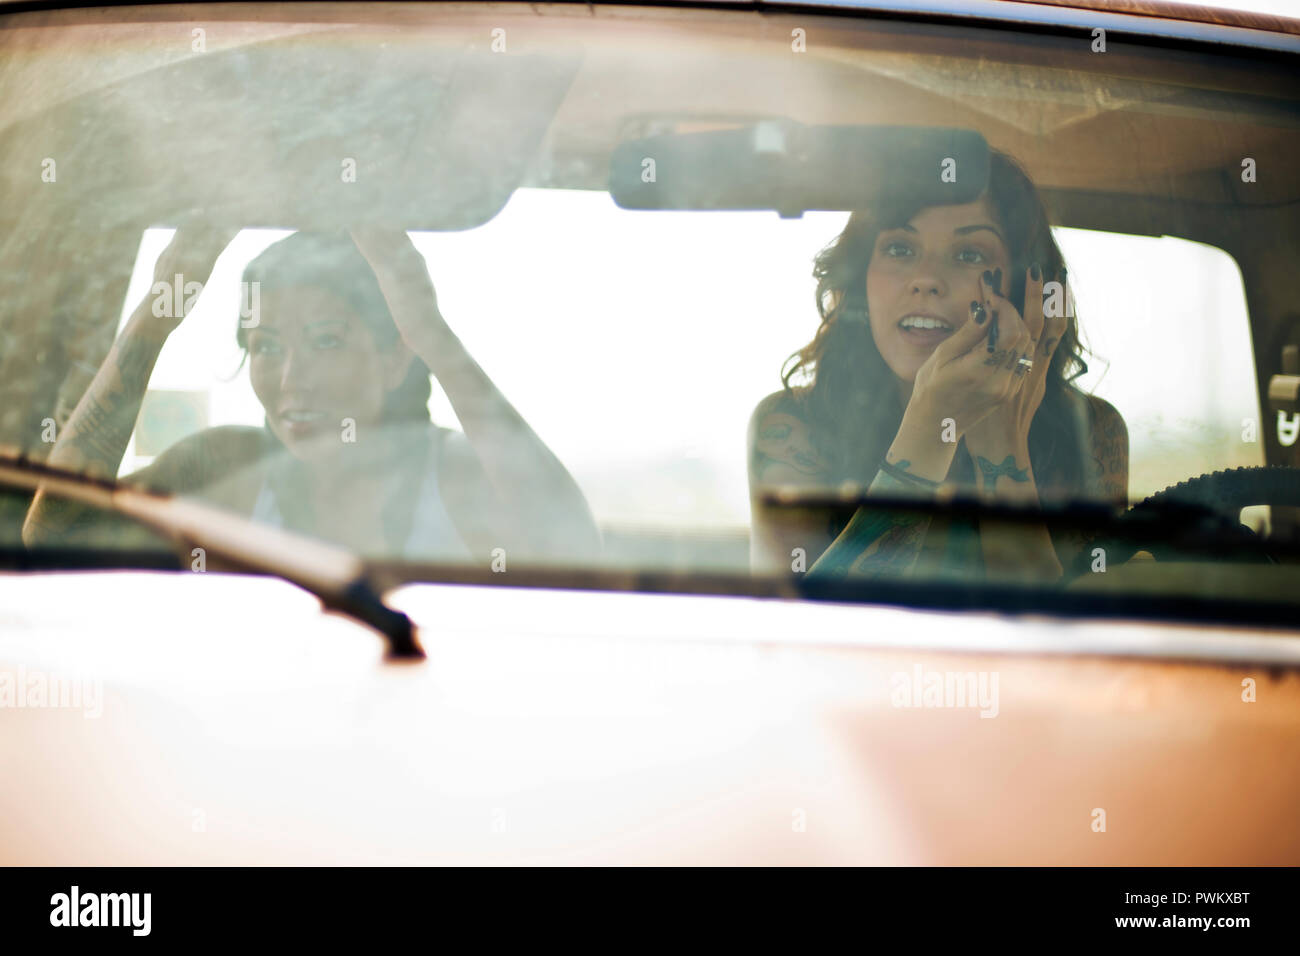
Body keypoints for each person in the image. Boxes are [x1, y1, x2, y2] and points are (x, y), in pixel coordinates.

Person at [24, 227, 600, 563]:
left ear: (397, 354)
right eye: (267, 346)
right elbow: (53, 535)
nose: (291, 377)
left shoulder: (456, 474)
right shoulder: (227, 467)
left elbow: (573, 543)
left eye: (327, 341)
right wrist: (156, 315)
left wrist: (434, 337)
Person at [748, 150, 1128, 582]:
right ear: (860, 282)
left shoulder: (1090, 429)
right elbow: (801, 633)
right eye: (899, 248)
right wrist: (930, 428)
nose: (926, 278)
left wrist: (1003, 449)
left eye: (968, 255)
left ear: (1026, 290)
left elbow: (1071, 640)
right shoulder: (793, 425)